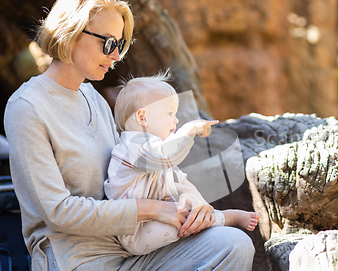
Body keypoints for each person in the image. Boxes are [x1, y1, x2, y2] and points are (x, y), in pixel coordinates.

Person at [4, 0, 255, 271]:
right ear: (72, 31)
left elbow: (139, 164)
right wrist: (153, 210)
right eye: (109, 43)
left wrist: (193, 198)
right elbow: (58, 212)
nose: (117, 55)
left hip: (133, 252)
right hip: (78, 269)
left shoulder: (92, 98)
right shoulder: (27, 108)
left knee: (230, 247)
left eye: (121, 45)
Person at [105, 71, 259, 255]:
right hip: (134, 231)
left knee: (190, 210)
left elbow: (179, 178)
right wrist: (189, 130)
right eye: (169, 113)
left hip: (155, 218)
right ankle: (226, 217)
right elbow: (166, 155)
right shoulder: (132, 146)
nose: (176, 120)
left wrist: (196, 197)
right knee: (186, 221)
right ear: (142, 117)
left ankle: (219, 216)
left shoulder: (151, 151)